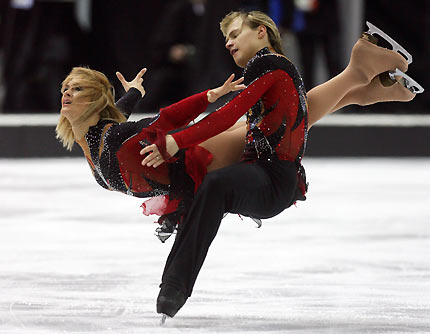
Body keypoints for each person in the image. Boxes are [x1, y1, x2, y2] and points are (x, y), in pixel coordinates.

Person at [140, 11, 423, 321]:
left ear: (261, 32)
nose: (229, 43)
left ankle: (175, 287)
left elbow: (229, 112)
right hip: (268, 176)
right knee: (249, 142)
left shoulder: (266, 65)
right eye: (226, 39)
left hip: (271, 179)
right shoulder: (277, 68)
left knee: (217, 177)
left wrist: (175, 141)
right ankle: (364, 82)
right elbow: (298, 116)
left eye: (235, 34)